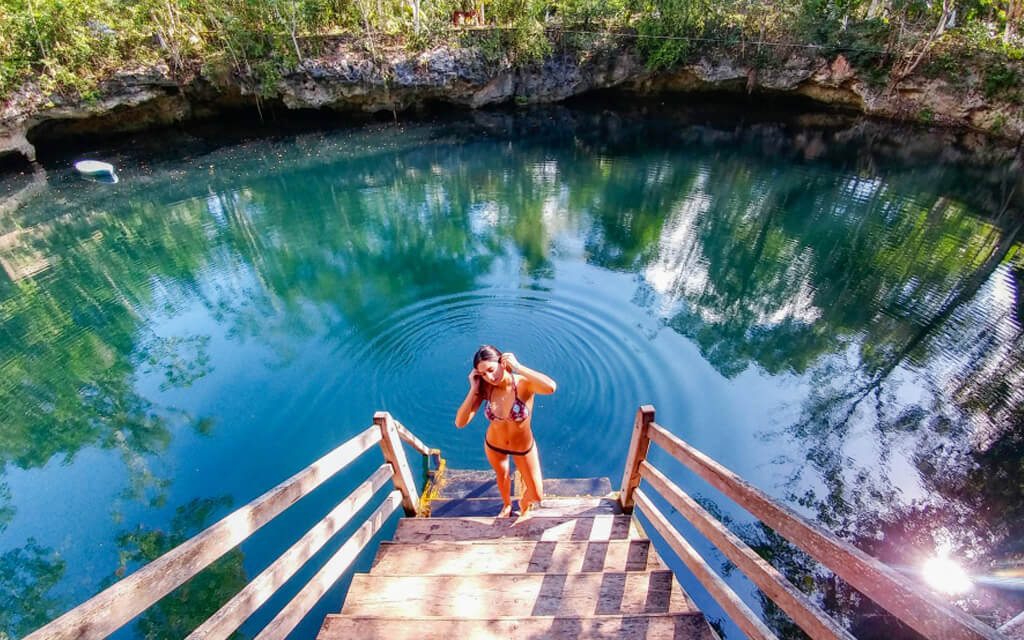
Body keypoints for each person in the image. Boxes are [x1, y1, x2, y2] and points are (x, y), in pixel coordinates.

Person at [454, 345, 557, 517]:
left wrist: (518, 366)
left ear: (502, 363)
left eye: (491, 370)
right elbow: (460, 422)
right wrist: (473, 389)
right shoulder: (485, 389)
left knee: (537, 495)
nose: (489, 377)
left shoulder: (523, 384)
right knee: (502, 476)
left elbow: (550, 387)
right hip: (495, 445)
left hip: (523, 447)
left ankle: (523, 502)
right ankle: (507, 505)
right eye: (482, 374)